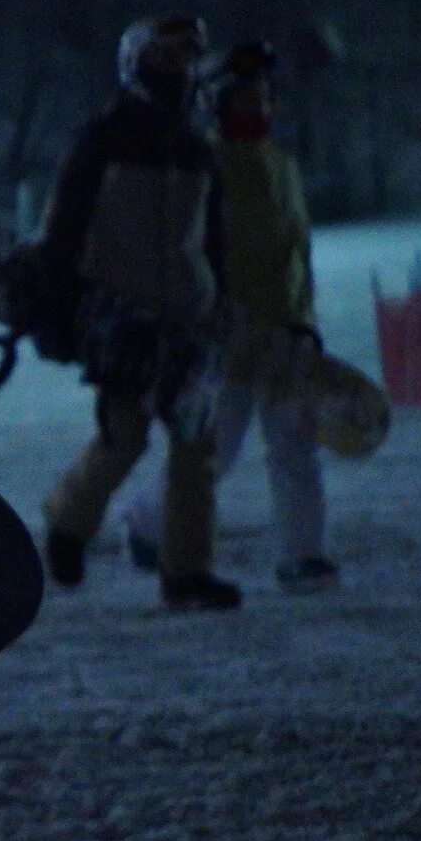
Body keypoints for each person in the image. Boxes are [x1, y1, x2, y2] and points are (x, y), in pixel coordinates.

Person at [38, 16, 241, 611]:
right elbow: (64, 229)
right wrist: (58, 310)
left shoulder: (196, 150)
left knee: (195, 445)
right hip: (119, 315)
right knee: (124, 436)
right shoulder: (100, 141)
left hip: (189, 312)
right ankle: (68, 523)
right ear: (134, 66)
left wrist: (220, 302)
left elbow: (213, 241)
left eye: (183, 63)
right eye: (163, 61)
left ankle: (187, 574)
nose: (174, 74)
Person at [126, 42, 337, 591]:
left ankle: (303, 555)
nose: (258, 104)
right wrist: (208, 320)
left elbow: (297, 252)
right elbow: (183, 249)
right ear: (215, 101)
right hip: (228, 336)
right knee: (215, 449)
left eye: (265, 94)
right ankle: (150, 523)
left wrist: (305, 320)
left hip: (283, 334)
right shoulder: (202, 163)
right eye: (245, 95)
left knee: (295, 444)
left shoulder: (281, 165)